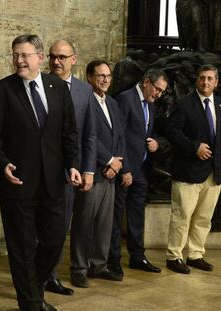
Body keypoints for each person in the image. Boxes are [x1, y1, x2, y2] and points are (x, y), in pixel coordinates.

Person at [0, 34, 81, 311]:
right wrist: (3, 163)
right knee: (22, 248)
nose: (19, 60)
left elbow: (69, 132)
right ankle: (30, 303)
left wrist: (72, 164)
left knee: (53, 241)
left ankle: (34, 291)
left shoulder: (58, 88)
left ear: (40, 57)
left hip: (53, 182)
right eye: (15, 55)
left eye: (25, 55)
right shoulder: (2, 90)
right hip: (17, 183)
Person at [45, 39, 96, 295]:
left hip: (76, 172)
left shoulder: (85, 92)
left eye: (62, 57)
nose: (56, 61)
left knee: (71, 225)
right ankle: (47, 276)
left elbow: (89, 134)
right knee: (51, 228)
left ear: (73, 59)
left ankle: (66, 272)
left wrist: (88, 169)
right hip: (48, 171)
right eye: (53, 56)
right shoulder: (39, 85)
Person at [70, 60, 126, 287]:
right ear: (89, 77)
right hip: (92, 171)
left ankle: (98, 265)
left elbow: (120, 135)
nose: (105, 80)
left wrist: (117, 164)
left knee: (104, 224)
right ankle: (79, 268)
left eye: (108, 76)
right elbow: (87, 137)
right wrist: (108, 160)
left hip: (111, 173)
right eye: (100, 75)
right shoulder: (83, 101)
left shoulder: (112, 102)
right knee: (84, 222)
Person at [108, 69, 168, 278]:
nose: (158, 94)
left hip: (141, 170)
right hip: (125, 170)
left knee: (136, 215)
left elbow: (145, 132)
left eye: (162, 91)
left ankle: (137, 257)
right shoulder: (125, 99)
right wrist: (125, 169)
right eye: (157, 89)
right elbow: (118, 136)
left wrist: (155, 143)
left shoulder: (149, 103)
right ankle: (113, 260)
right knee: (116, 218)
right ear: (146, 82)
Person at [165, 64, 221, 274]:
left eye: (209, 78)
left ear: (216, 82)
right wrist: (193, 147)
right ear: (196, 81)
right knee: (182, 216)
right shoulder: (184, 104)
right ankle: (174, 256)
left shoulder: (220, 103)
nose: (205, 82)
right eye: (202, 78)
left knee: (203, 218)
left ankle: (196, 254)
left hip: (214, 173)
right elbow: (171, 130)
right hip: (188, 171)